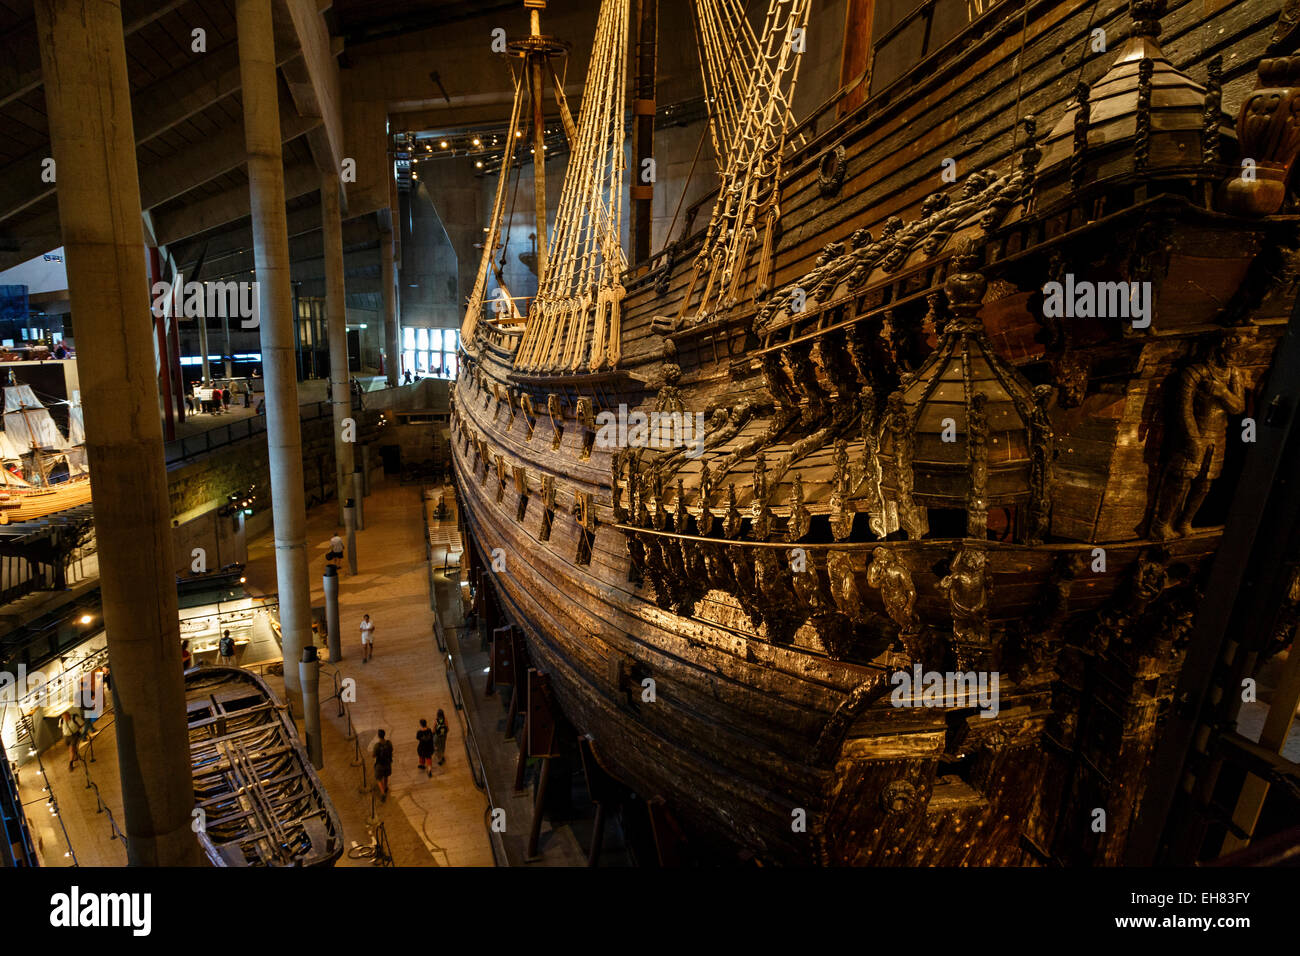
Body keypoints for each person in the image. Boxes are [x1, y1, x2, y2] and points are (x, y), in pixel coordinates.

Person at [372, 729, 393, 801]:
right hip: (387, 763)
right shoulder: (389, 743)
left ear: (378, 736)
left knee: (378, 778)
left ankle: (383, 792)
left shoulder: (377, 745)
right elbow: (391, 750)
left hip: (380, 764)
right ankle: (385, 787)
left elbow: (373, 755)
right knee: (386, 776)